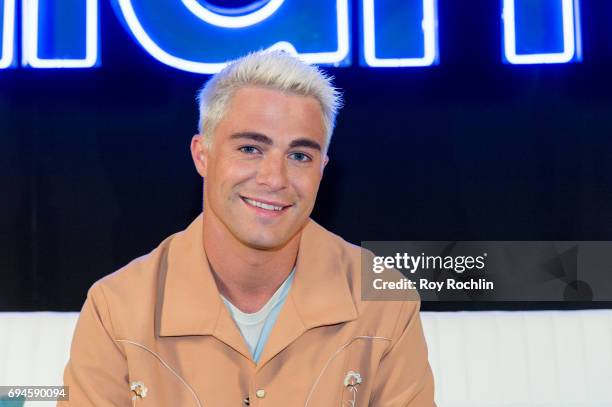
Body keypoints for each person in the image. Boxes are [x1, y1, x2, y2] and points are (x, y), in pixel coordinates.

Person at [59, 50, 435, 406]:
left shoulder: (386, 301)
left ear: (322, 169)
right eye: (251, 149)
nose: (275, 179)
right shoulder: (117, 308)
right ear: (202, 155)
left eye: (299, 156)